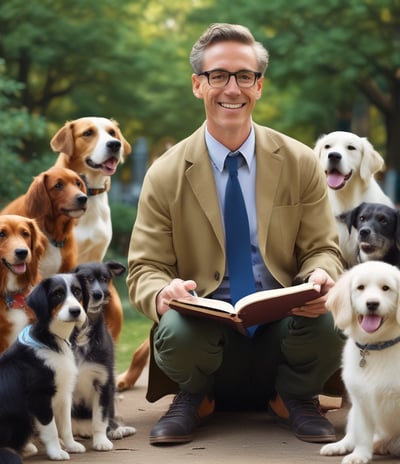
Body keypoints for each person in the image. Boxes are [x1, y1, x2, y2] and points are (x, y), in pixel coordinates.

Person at [127, 23, 345, 446]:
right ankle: (195, 395)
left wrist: (320, 277)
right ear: (197, 84)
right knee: (173, 329)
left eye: (245, 76)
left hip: (284, 326)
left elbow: (322, 248)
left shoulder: (301, 162)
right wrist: (162, 293)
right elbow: (144, 268)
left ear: (259, 86)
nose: (233, 88)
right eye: (218, 76)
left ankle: (295, 397)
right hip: (204, 331)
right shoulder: (164, 173)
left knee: (333, 319)